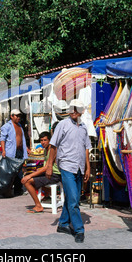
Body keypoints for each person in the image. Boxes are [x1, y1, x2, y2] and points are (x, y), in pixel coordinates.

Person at [46, 99, 91, 243]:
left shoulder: (84, 127)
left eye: (77, 109)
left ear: (81, 111)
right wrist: (49, 165)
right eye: (72, 108)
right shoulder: (62, 125)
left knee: (74, 198)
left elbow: (86, 149)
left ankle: (63, 224)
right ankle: (79, 229)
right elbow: (53, 145)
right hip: (66, 166)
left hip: (79, 167)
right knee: (73, 200)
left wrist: (88, 167)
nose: (73, 111)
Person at [22, 131, 62, 213]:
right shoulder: (45, 150)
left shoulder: (52, 150)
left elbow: (46, 167)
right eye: (41, 140)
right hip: (48, 174)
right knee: (26, 176)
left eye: (45, 140)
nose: (43, 142)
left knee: (27, 181)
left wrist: (30, 176)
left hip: (54, 175)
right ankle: (47, 195)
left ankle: (38, 205)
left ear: (50, 140)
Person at [0, 109, 30, 196]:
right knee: (10, 172)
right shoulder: (6, 126)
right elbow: (2, 139)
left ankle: (18, 189)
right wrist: (3, 150)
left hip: (20, 152)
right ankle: (6, 190)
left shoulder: (20, 126)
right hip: (11, 152)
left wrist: (26, 148)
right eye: (16, 116)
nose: (18, 117)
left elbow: (21, 139)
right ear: (11, 116)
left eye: (19, 116)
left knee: (19, 170)